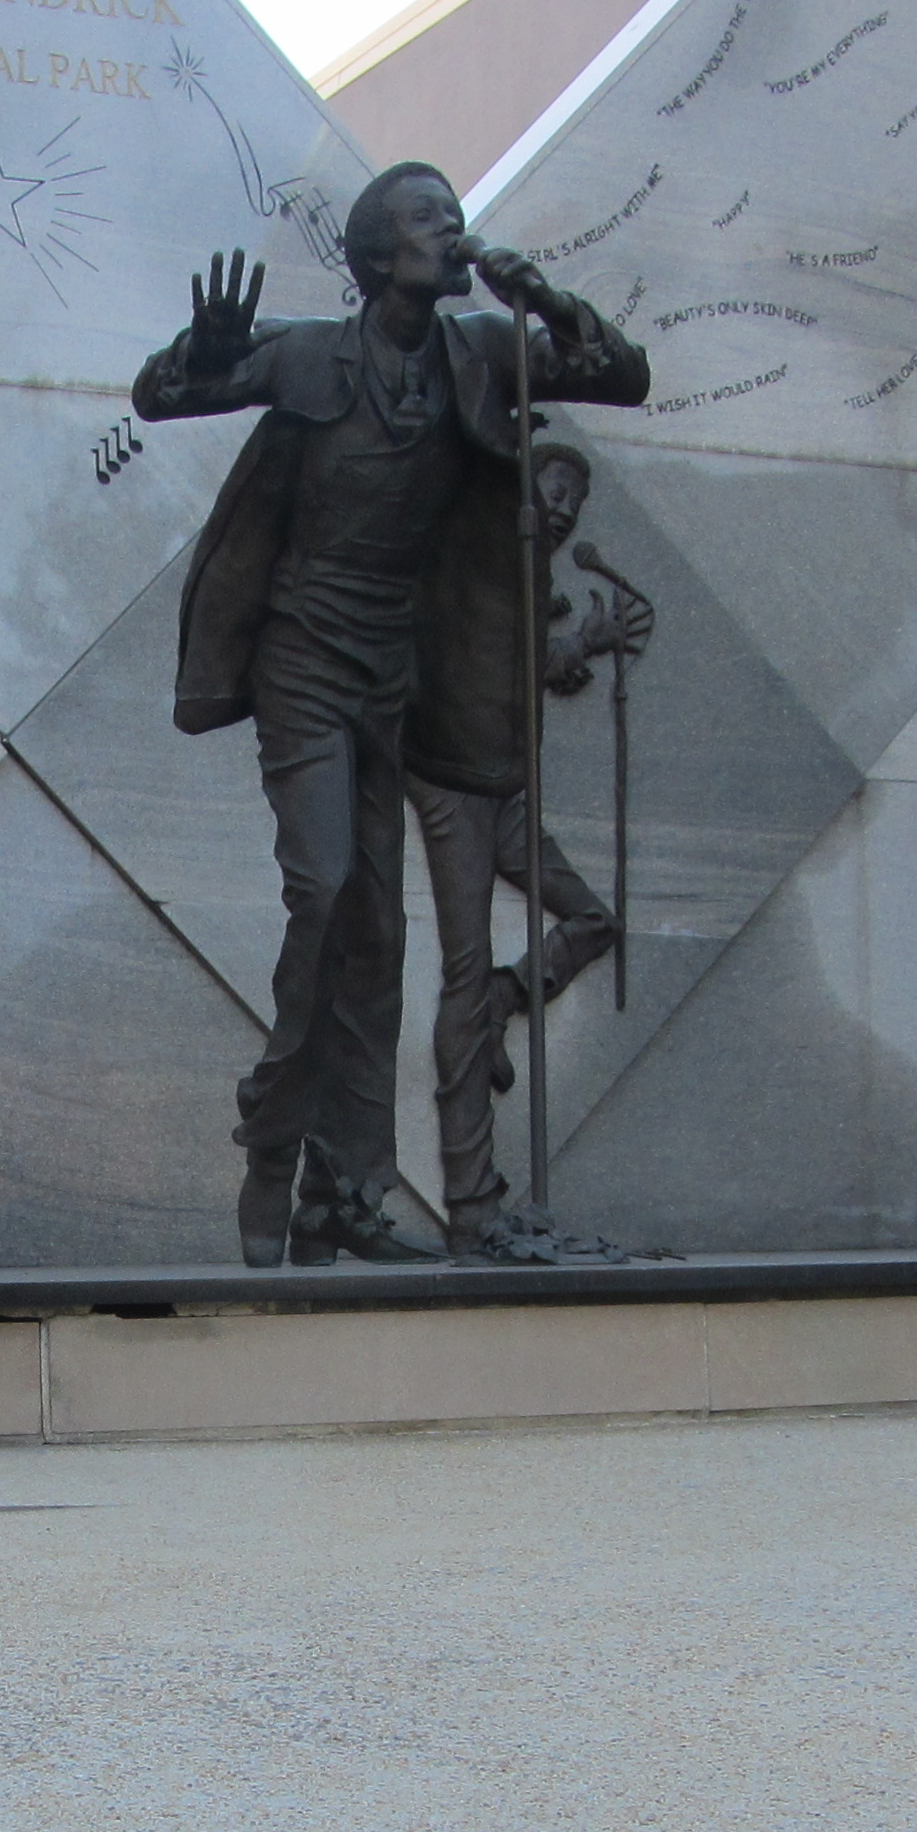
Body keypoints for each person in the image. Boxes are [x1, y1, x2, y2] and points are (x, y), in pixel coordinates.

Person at [134, 164, 648, 1268]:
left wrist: (543, 299)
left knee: (376, 934)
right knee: (324, 891)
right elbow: (162, 394)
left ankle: (340, 1190)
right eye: (426, 217)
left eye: (454, 213)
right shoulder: (311, 353)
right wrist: (204, 353)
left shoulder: (482, 351)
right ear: (376, 256)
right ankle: (273, 1135)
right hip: (302, 659)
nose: (451, 227)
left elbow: (623, 373)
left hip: (394, 679)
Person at [401, 439, 643, 1254]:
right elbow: (489, 655)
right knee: (461, 975)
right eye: (555, 486)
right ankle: (472, 1204)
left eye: (577, 496)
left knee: (595, 920)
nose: (566, 506)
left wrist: (578, 645)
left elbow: (524, 663)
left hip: (505, 787)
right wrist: (579, 646)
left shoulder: (531, 569)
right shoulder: (480, 552)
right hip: (454, 779)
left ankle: (510, 997)